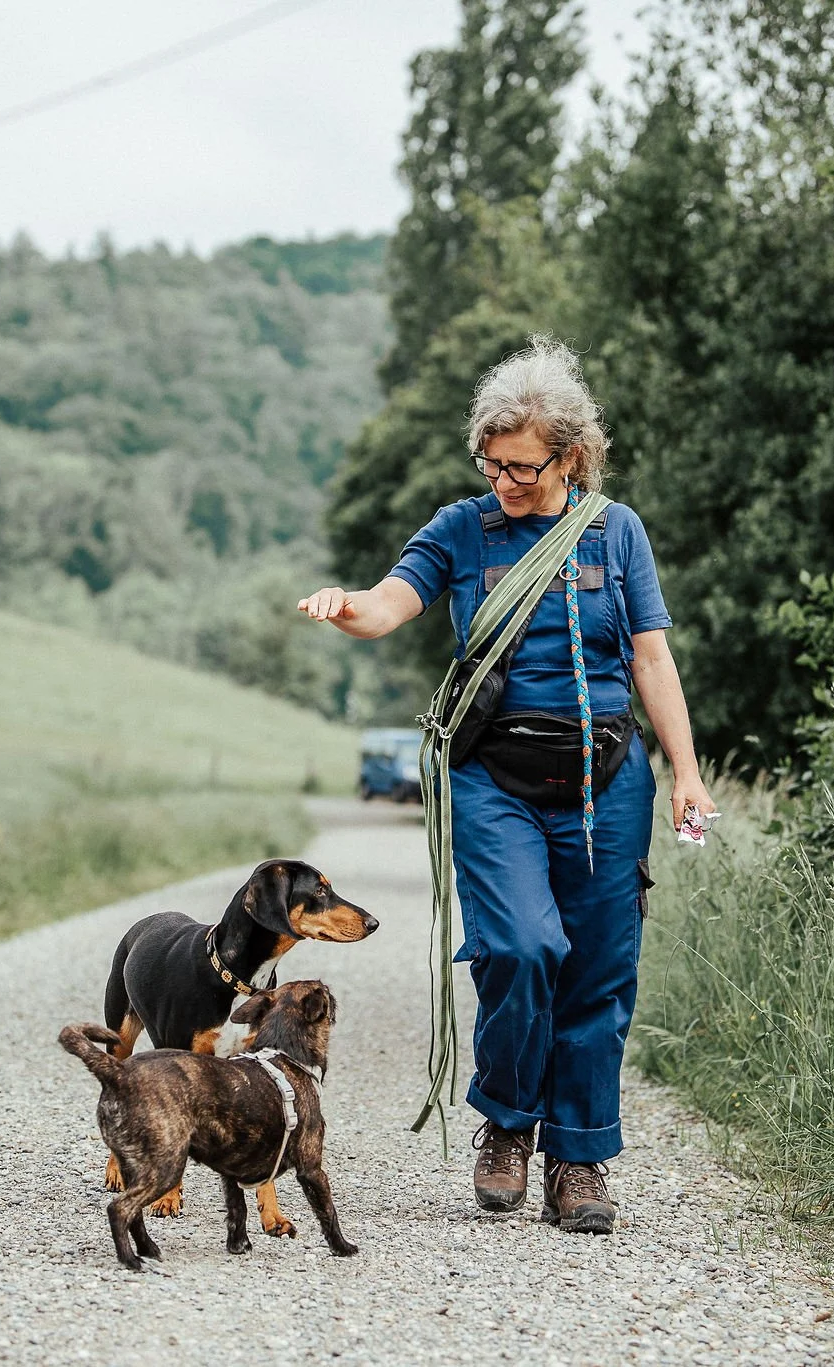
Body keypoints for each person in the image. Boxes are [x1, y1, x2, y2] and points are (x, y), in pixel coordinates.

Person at [297, 336, 713, 1234]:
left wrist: (686, 772)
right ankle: (509, 1123)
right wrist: (346, 607)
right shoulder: (462, 529)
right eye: (492, 464)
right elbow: (389, 602)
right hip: (496, 779)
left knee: (598, 969)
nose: (506, 481)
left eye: (523, 466)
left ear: (571, 456)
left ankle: (579, 1157)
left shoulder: (617, 531)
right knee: (521, 947)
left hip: (608, 781)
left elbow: (651, 657)